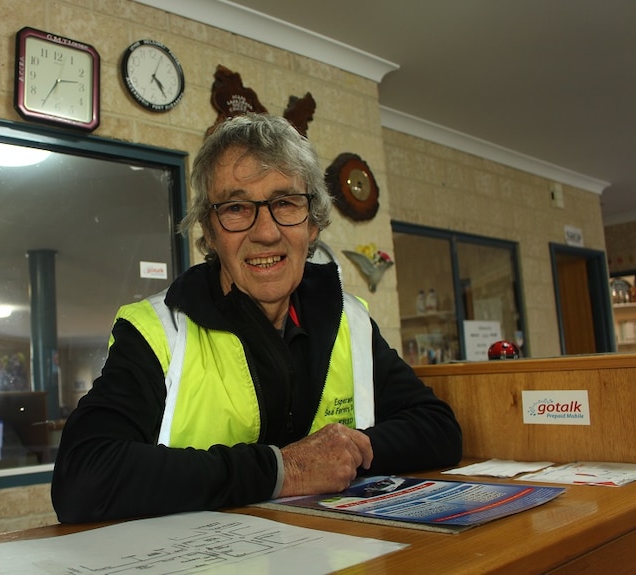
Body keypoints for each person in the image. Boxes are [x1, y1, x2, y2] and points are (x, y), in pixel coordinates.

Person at [51, 113, 462, 523]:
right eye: (236, 207)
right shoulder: (157, 331)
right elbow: (83, 478)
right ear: (209, 233)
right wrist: (286, 470)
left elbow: (438, 430)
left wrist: (344, 452)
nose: (266, 232)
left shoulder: (348, 320)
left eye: (285, 203)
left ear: (313, 225)